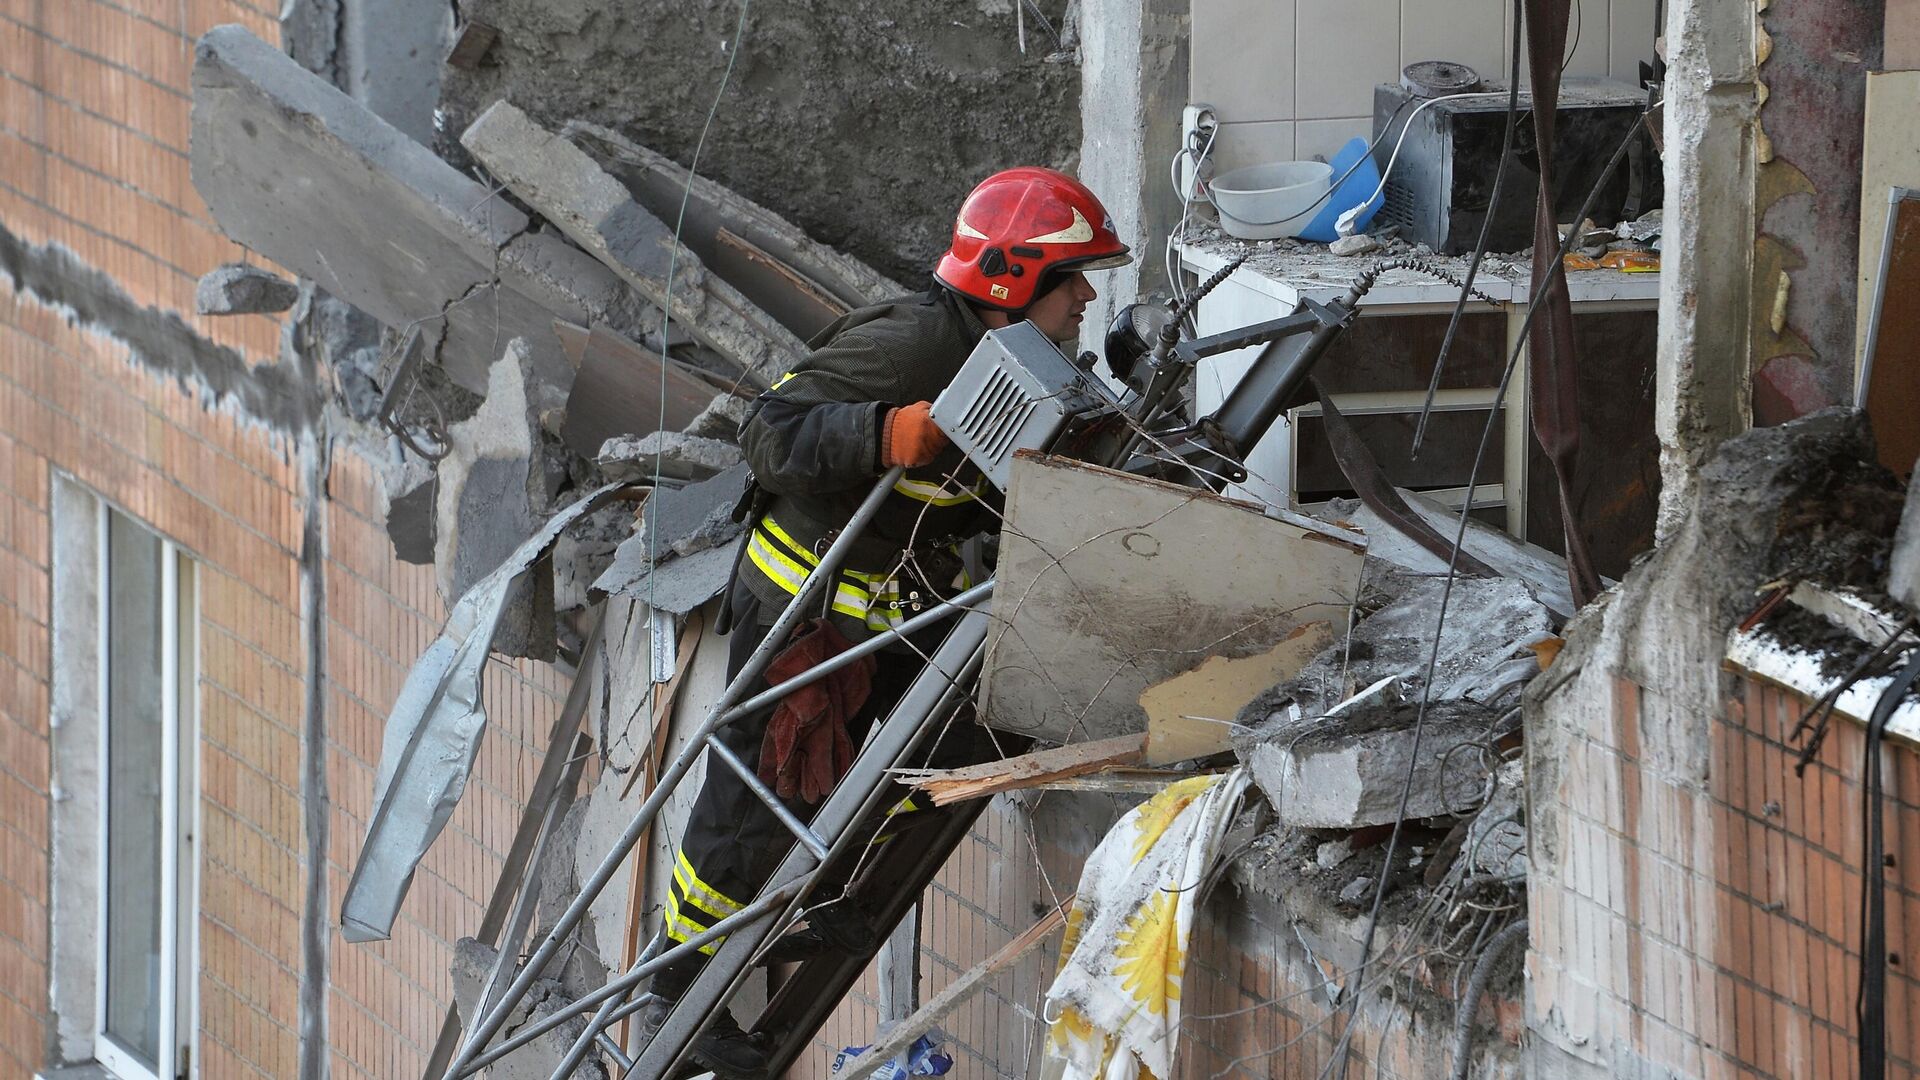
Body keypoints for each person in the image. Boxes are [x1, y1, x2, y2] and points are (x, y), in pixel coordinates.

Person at [639, 167, 1132, 1077]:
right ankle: (673, 997)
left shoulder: (1018, 361)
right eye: (1073, 278)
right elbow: (770, 431)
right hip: (805, 615)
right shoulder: (912, 345)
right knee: (753, 811)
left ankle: (830, 890)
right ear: (1013, 279)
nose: (1089, 296)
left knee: (944, 752)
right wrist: (879, 433)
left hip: (891, 619)